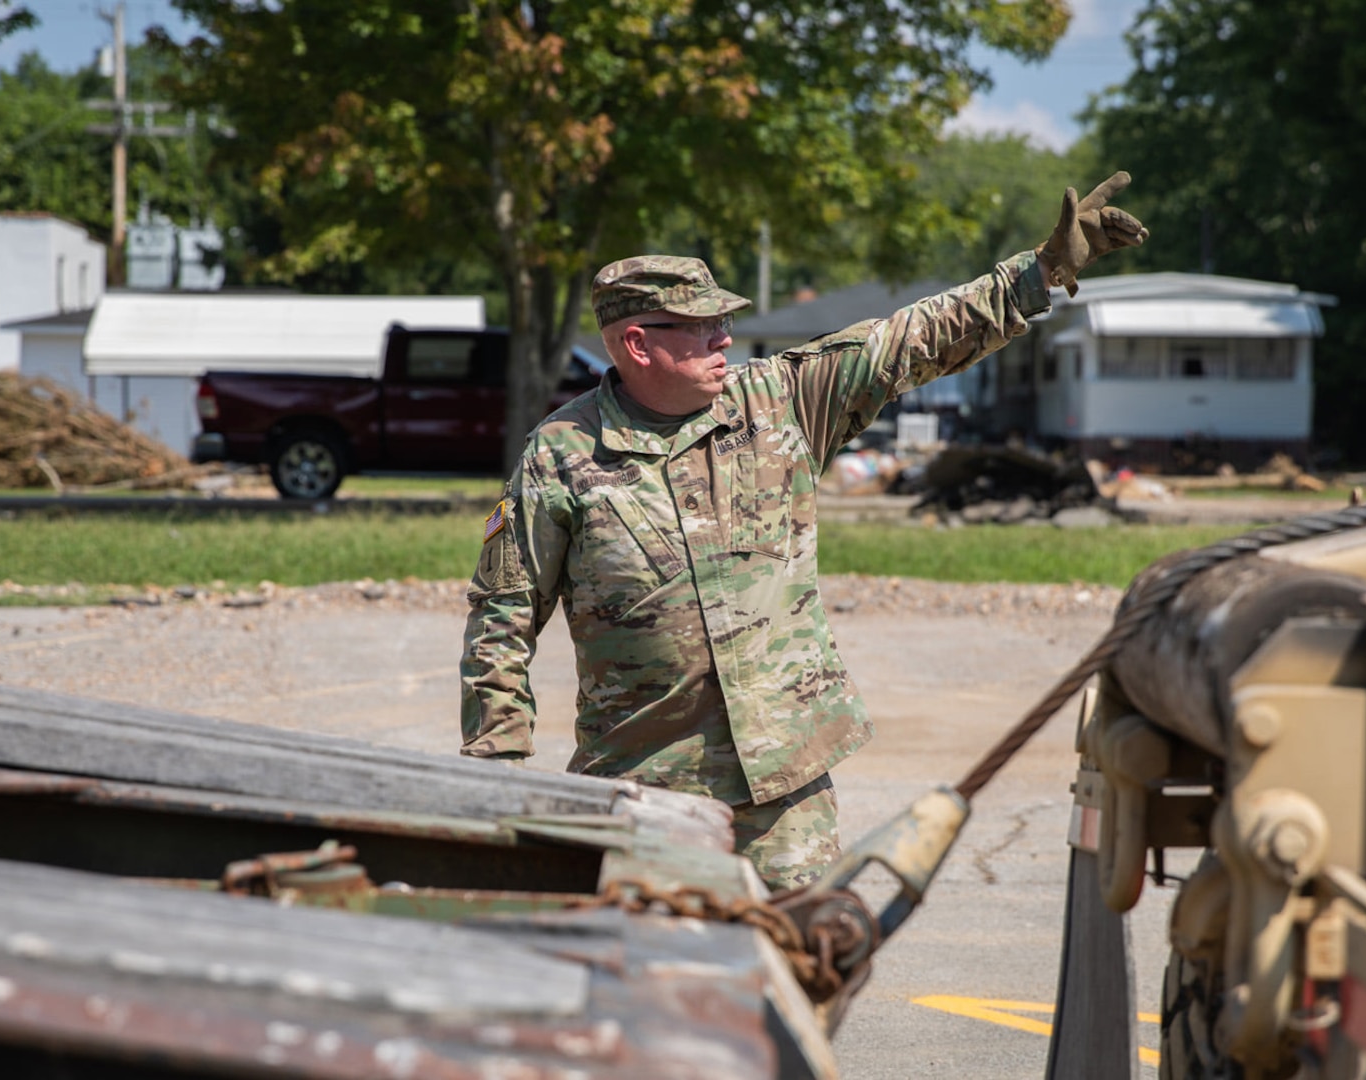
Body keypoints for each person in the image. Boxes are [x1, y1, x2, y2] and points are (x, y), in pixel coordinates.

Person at [460, 170, 1147, 890]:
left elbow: (908, 340)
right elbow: (503, 615)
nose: (724, 335)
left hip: (781, 782)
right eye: (701, 325)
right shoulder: (560, 456)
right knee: (650, 980)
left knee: (791, 967)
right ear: (637, 343)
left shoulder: (777, 403)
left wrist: (1041, 270)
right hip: (642, 784)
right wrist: (496, 766)